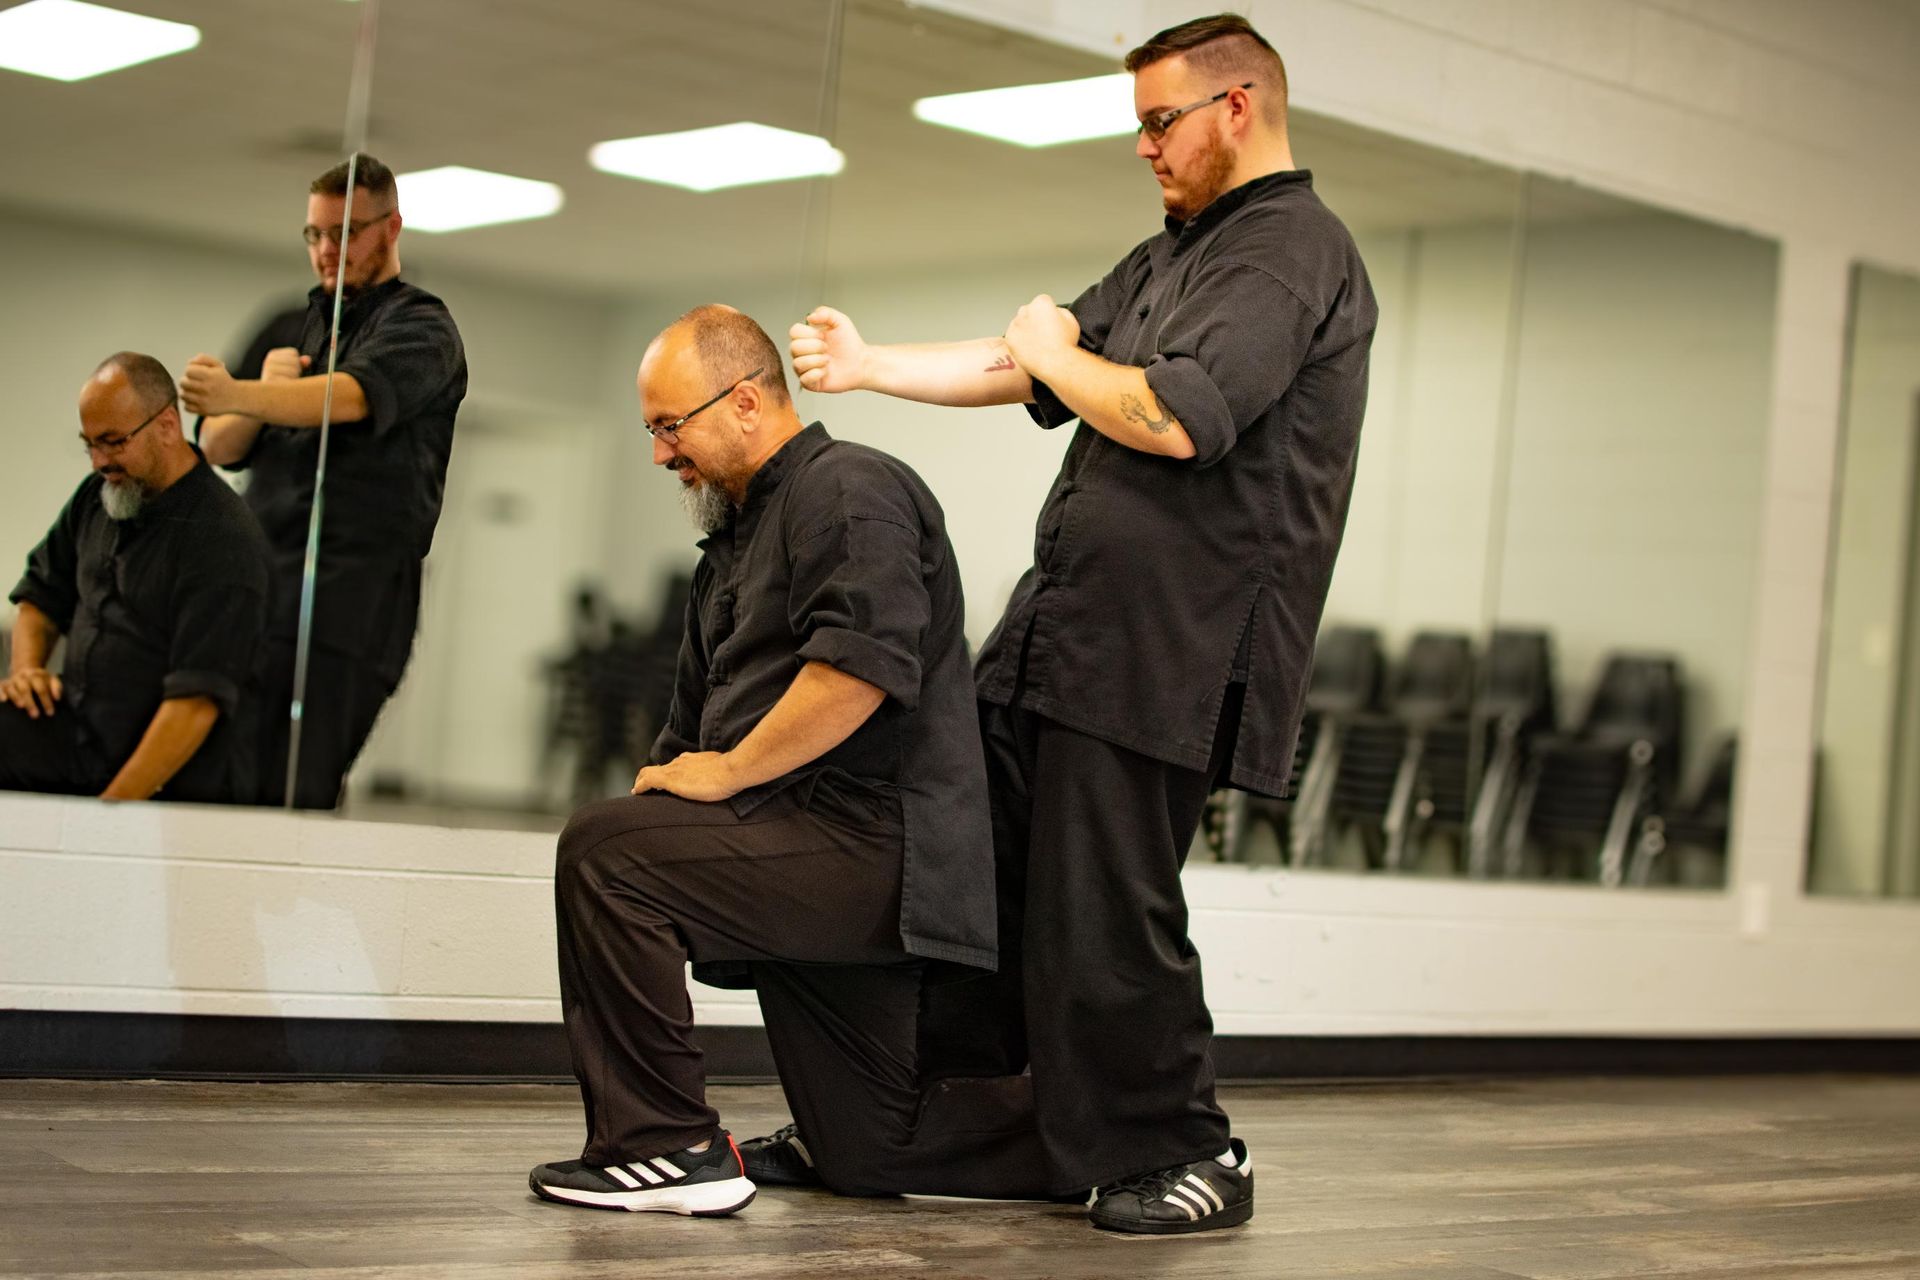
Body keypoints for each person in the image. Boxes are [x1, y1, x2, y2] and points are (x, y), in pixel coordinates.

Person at [776, 12, 1378, 1234]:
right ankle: (915, 1121)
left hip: (1164, 651)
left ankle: (1191, 1147)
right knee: (971, 886)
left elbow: (1172, 416)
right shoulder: (1174, 257)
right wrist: (874, 362)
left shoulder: (1288, 251)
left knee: (1105, 913)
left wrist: (1057, 349)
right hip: (1060, 638)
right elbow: (1027, 363)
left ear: (1238, 107)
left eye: (1161, 122)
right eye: (1138, 125)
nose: (1145, 147)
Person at [528, 306, 1047, 1216]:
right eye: (649, 430)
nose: (660, 455)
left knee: (605, 855)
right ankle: (1099, 1144)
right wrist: (670, 803)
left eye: (668, 426)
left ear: (742, 402)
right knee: (872, 1148)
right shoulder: (728, 548)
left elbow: (859, 672)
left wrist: (718, 783)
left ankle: (664, 1147)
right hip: (809, 849)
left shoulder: (850, 490)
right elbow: (688, 739)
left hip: (881, 850)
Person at [184, 153, 466, 809]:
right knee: (221, 775)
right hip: (260, 580)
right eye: (314, 234)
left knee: (295, 784)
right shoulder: (289, 323)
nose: (326, 250)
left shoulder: (421, 326)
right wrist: (251, 399)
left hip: (350, 599)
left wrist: (245, 392)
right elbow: (219, 443)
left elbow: (348, 398)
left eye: (346, 232)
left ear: (391, 228)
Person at [3, 353, 270, 804]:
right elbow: (40, 596)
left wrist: (110, 815)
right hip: (75, 734)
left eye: (112, 442)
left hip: (162, 772)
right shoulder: (99, 494)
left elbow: (195, 703)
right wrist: (26, 671)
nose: (98, 462)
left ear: (167, 426)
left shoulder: (222, 538)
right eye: (89, 444)